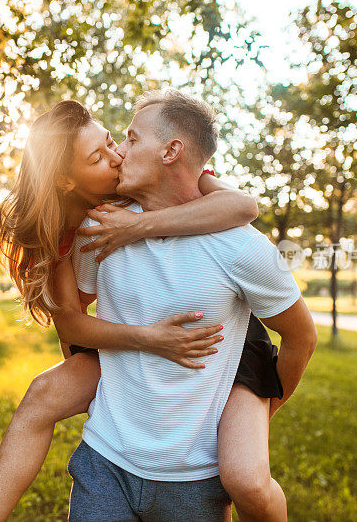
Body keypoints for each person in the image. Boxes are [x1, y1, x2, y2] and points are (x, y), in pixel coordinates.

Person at [0, 99, 290, 522]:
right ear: (67, 181)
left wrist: (137, 226)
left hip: (225, 334)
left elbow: (243, 208)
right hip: (135, 328)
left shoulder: (158, 187)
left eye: (112, 142)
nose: (118, 154)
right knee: (41, 395)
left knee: (245, 475)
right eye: (99, 156)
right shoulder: (64, 230)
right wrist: (136, 352)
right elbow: (71, 324)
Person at [66, 89, 317, 521]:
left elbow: (300, 336)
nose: (118, 153)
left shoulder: (243, 248)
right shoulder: (99, 228)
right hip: (103, 460)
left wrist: (267, 408)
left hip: (194, 480)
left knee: (251, 483)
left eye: (130, 138)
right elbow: (72, 319)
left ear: (171, 151)